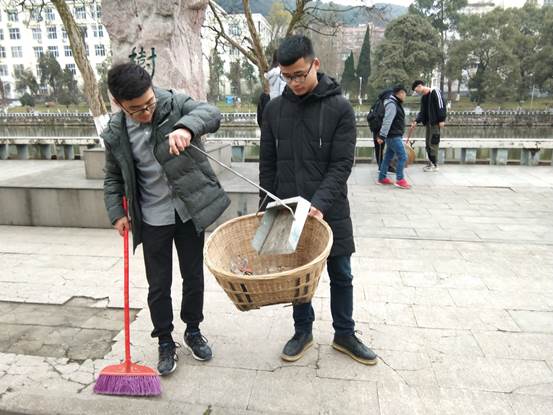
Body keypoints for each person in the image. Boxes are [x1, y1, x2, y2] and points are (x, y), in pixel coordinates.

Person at [102, 63, 230, 376]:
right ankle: (164, 339)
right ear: (119, 103)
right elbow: (112, 177)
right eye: (136, 109)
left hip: (187, 209)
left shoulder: (174, 103)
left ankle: (193, 330)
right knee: (158, 284)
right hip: (152, 216)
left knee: (193, 276)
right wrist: (117, 213)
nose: (146, 112)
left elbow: (211, 113)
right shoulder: (116, 132)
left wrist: (187, 128)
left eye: (149, 103)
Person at [259, 35, 377, 366]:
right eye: (287, 77)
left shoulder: (340, 108)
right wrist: (263, 208)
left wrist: (320, 202)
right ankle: (302, 331)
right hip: (287, 206)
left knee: (341, 273)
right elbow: (267, 164)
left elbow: (342, 164)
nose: (294, 83)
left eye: (300, 74)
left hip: (330, 208)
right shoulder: (274, 110)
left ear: (315, 64)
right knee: (297, 276)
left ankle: (345, 334)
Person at [376, 85, 410, 189]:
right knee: (403, 156)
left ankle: (382, 178)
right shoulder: (392, 104)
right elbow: (387, 120)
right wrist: (382, 135)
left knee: (387, 157)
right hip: (393, 135)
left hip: (393, 135)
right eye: (404, 94)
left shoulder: (395, 103)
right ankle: (400, 180)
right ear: (400, 93)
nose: (405, 96)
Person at [411, 80, 447, 172]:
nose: (417, 92)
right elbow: (422, 112)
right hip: (428, 124)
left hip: (435, 123)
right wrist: (416, 121)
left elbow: (441, 105)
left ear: (420, 86)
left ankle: (435, 165)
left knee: (433, 143)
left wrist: (442, 119)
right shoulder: (424, 98)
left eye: (416, 90)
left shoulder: (435, 91)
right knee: (428, 144)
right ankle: (431, 163)